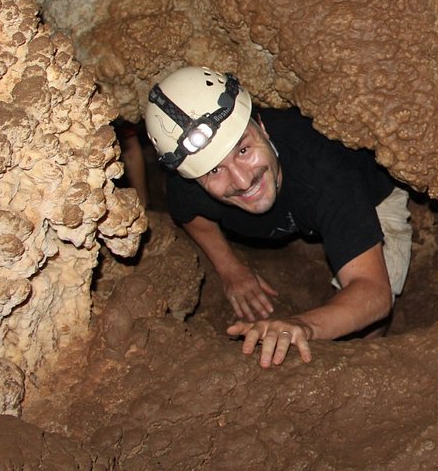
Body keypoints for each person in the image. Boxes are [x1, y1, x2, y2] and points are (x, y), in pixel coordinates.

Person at [144, 66, 412, 368]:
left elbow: (373, 292)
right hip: (306, 206)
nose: (243, 181)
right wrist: (231, 269)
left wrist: (302, 325)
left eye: (243, 150)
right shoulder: (191, 180)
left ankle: (366, 365)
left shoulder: (328, 173)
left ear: (262, 125)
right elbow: (191, 216)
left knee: (367, 323)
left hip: (369, 195)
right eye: (215, 171)